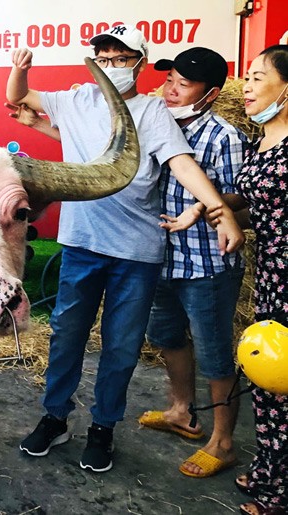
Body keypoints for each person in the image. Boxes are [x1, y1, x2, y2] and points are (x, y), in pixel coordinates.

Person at [6, 24, 244, 473]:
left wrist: (219, 209)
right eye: (104, 57)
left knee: (120, 346)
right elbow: (22, 95)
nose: (111, 65)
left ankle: (103, 428)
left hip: (136, 251)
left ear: (138, 62)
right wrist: (19, 71)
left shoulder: (153, 111)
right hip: (81, 245)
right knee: (66, 335)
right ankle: (55, 417)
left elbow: (181, 162)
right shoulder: (75, 100)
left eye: (120, 57)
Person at [138, 47, 248, 479]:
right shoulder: (155, 125)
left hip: (208, 264)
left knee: (216, 352)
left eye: (183, 86)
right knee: (167, 337)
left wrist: (204, 206)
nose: (170, 90)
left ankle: (222, 442)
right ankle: (182, 411)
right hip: (160, 259)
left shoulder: (224, 137)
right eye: (169, 81)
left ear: (211, 94)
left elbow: (244, 199)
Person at [206, 44, 287, 515]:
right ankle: (270, 472)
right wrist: (212, 207)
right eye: (247, 77)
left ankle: (275, 494)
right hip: (272, 276)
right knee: (269, 373)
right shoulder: (262, 140)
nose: (247, 85)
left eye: (258, 77)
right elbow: (253, 197)